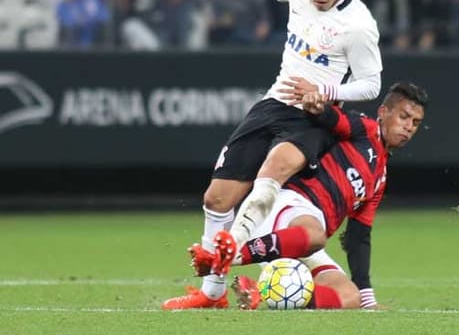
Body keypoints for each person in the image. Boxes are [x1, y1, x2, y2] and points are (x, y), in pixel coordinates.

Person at [162, 0, 383, 309]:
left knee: (274, 169)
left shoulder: (359, 25)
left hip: (312, 115)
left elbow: (372, 85)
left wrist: (324, 90)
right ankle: (213, 295)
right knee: (216, 199)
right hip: (272, 105)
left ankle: (233, 249)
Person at [162, 82, 427, 310]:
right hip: (284, 208)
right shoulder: (364, 128)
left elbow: (358, 238)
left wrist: (368, 300)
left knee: (348, 297)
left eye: (415, 123)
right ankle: (230, 256)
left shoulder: (379, 178)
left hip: (302, 239)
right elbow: (333, 120)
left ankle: (261, 290)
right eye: (404, 117)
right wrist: (318, 104)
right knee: (315, 234)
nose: (409, 127)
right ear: (384, 112)